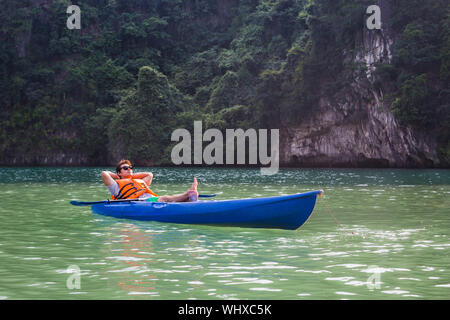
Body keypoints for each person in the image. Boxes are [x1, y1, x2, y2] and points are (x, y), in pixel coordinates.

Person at [101, 159, 198, 202]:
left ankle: (189, 198)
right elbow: (104, 173)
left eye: (130, 167)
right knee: (164, 198)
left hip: (152, 200)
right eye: (125, 168)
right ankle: (188, 194)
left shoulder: (138, 181)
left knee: (168, 198)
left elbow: (149, 174)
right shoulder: (115, 186)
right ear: (119, 172)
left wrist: (131, 176)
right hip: (140, 203)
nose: (129, 169)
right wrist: (118, 177)